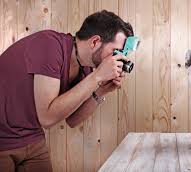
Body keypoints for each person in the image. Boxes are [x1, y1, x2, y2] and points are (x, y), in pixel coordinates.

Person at [0, 10, 133, 172]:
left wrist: (102, 91)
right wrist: (97, 77)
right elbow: (47, 118)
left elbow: (73, 120)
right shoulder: (49, 45)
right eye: (115, 52)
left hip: (31, 136)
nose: (117, 60)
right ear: (94, 42)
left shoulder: (85, 68)